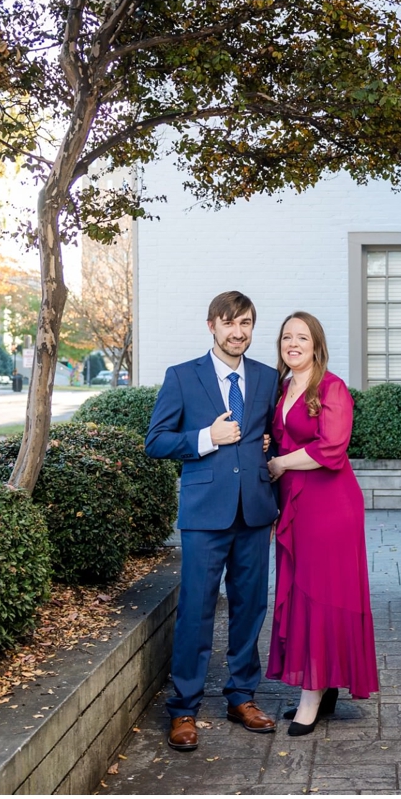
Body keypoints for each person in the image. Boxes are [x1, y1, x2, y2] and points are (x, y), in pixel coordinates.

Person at [145, 291, 281, 752]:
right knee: (197, 611)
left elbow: (276, 435)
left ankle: (241, 696)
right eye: (229, 323)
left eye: (245, 323)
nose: (238, 332)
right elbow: (156, 441)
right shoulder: (183, 377)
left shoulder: (266, 378)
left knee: (250, 609)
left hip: (255, 512)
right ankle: (184, 707)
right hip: (205, 516)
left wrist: (269, 450)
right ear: (211, 326)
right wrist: (207, 436)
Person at [265, 311, 380, 735]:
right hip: (296, 504)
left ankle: (311, 694)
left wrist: (277, 462)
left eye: (302, 337)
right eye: (286, 338)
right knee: (299, 592)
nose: (292, 343)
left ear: (316, 345)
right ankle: (324, 682)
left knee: (320, 593)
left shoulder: (331, 388)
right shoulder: (282, 388)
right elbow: (282, 434)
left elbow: (331, 448)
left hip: (330, 505)